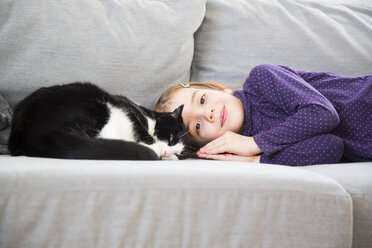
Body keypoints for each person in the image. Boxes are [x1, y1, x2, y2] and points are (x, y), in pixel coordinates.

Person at [154, 64, 372, 166]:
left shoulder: (261, 80)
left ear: (220, 89)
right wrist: (257, 160)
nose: (208, 113)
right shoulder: (256, 150)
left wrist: (255, 143)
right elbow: (331, 147)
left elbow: (324, 115)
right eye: (198, 126)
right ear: (208, 145)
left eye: (202, 99)